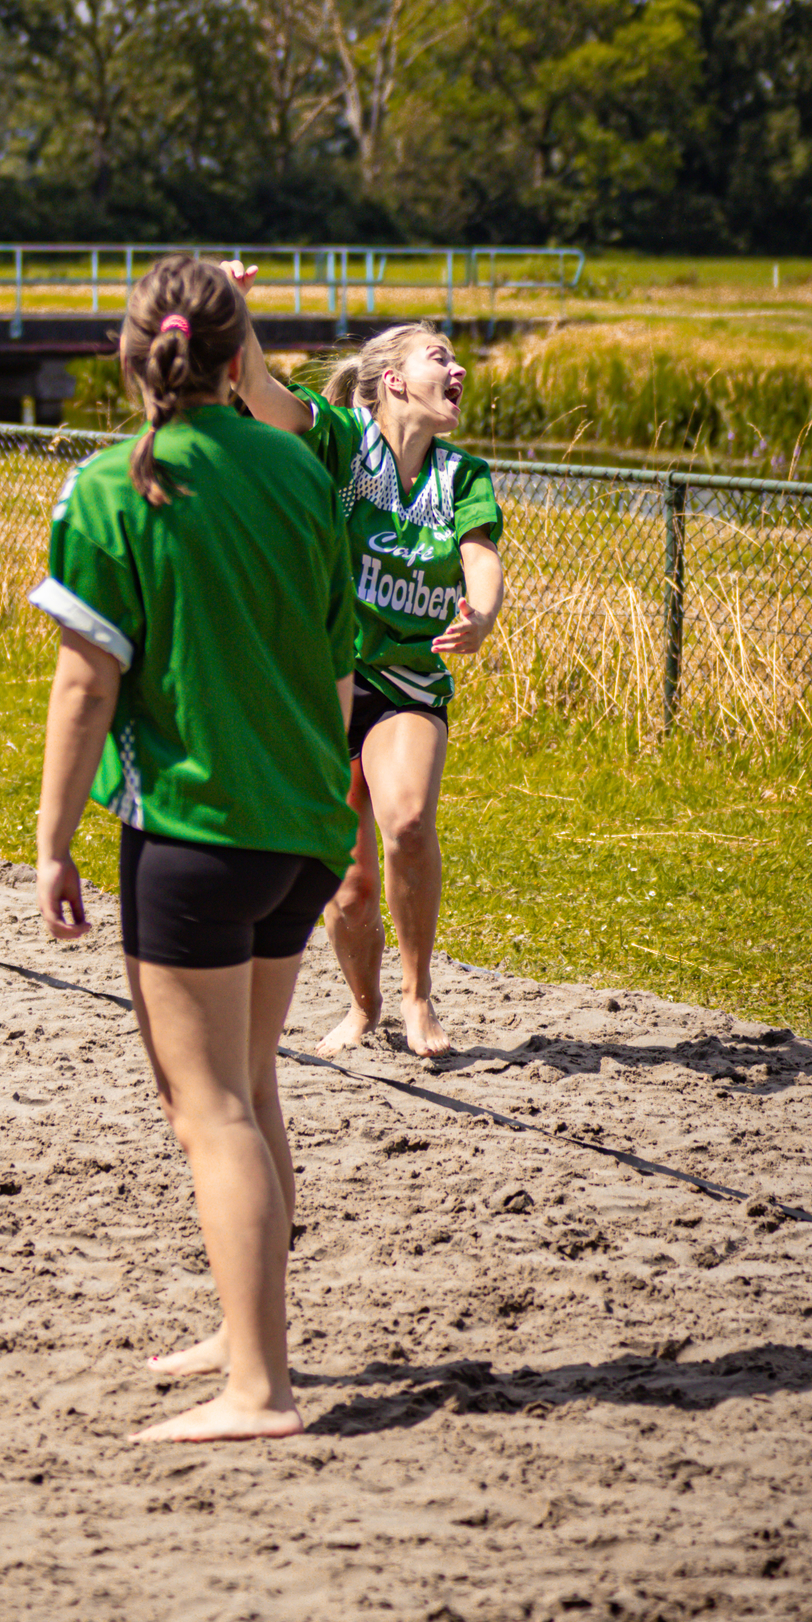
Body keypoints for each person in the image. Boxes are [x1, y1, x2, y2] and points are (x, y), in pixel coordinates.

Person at [29, 253, 356, 1444]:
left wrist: (52, 840)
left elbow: (84, 685)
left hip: (196, 835)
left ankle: (257, 1391)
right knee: (253, 1082)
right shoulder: (300, 468)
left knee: (207, 1106)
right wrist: (331, 809)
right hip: (304, 828)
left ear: (128, 359)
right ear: (236, 358)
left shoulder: (116, 484)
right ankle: (247, 1328)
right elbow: (332, 668)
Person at [225, 277, 504, 1060]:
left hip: (406, 683)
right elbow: (257, 388)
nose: (456, 372)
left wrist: (479, 616)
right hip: (324, 684)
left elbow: (482, 561)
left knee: (408, 822)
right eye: (438, 357)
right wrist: (231, 304)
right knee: (345, 887)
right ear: (393, 381)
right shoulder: (343, 440)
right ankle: (364, 1006)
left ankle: (418, 1001)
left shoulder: (464, 477)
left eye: (456, 360)